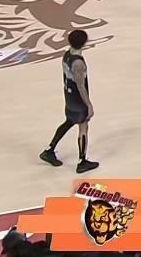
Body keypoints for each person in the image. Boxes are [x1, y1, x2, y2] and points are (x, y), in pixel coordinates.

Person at [39, 29, 99, 174]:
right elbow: (80, 86)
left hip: (69, 96)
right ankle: (82, 161)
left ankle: (49, 150)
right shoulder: (78, 63)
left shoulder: (67, 55)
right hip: (78, 100)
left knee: (69, 121)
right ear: (84, 42)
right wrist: (89, 104)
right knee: (83, 126)